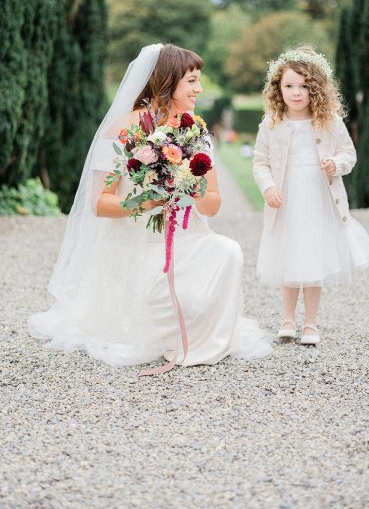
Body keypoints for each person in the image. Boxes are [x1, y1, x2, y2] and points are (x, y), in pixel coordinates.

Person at [28, 43, 271, 372]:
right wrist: (146, 201)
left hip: (189, 236)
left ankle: (204, 339)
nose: (199, 89)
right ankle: (176, 334)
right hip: (137, 242)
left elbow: (212, 205)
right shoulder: (125, 130)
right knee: (166, 298)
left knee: (228, 250)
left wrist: (192, 187)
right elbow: (100, 203)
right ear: (167, 81)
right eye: (192, 81)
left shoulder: (194, 130)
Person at [253, 46, 369, 345]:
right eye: (289, 86)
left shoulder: (329, 122)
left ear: (317, 90)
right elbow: (261, 161)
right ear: (278, 89)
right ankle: (287, 320)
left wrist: (337, 164)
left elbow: (348, 152)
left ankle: (310, 324)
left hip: (318, 196)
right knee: (288, 255)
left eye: (304, 86)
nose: (296, 93)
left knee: (312, 256)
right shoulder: (271, 124)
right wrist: (268, 186)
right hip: (285, 198)